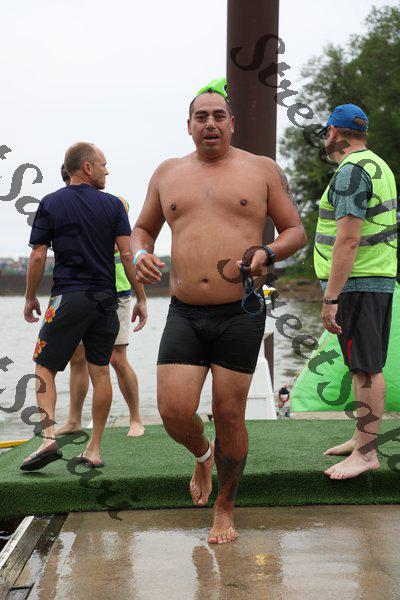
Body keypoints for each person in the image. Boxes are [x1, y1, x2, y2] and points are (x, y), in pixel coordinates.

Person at [132, 79, 306, 544]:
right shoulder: (168, 173)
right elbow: (142, 228)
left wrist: (268, 251)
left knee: (229, 412)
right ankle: (202, 454)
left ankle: (224, 510)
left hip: (240, 310)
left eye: (218, 116)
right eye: (201, 117)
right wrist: (140, 253)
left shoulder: (261, 169)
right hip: (185, 312)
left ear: (232, 124)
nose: (210, 123)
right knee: (173, 411)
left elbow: (294, 230)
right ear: (188, 126)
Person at [22, 142, 147, 471]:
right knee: (100, 369)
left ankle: (48, 439)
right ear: (87, 167)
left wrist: (30, 296)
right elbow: (126, 255)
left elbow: (38, 256)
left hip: (68, 297)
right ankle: (93, 449)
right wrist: (141, 297)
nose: (107, 171)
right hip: (106, 299)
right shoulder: (113, 205)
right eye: (103, 165)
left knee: (44, 366)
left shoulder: (50, 203)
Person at [314, 104, 397, 479]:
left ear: (334, 132)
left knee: (365, 369)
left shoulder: (351, 171)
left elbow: (348, 239)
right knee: (363, 364)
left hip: (358, 282)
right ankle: (361, 439)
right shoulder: (379, 165)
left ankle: (366, 454)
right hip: (375, 278)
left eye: (326, 132)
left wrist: (331, 297)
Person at [56, 165, 146, 437]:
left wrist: (141, 296)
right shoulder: (67, 207)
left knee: (117, 357)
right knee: (77, 357)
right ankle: (74, 420)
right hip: (81, 291)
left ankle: (136, 419)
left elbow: (124, 245)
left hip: (115, 291)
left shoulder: (113, 203)